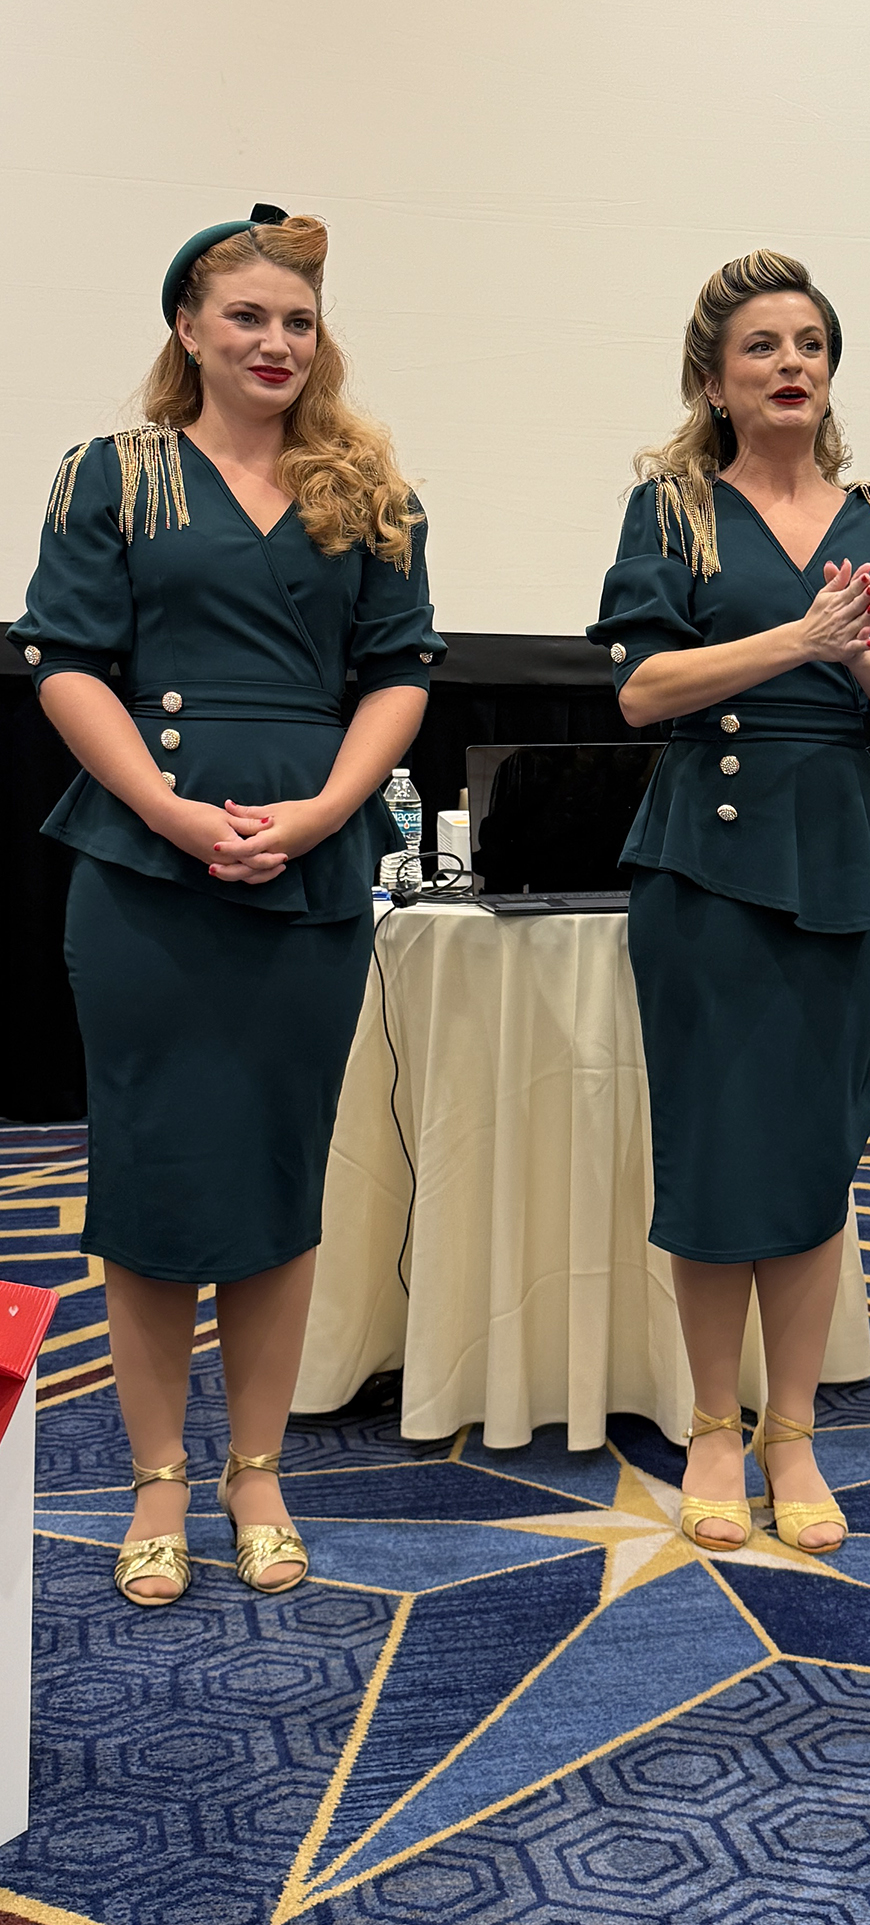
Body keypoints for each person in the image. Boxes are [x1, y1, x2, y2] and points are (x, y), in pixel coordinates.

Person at [10, 205, 443, 1604]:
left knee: (274, 1170)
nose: (274, 341)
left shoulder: (370, 489)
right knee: (148, 1178)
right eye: (246, 316)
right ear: (188, 328)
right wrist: (167, 806)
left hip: (309, 865)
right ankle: (155, 1478)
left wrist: (325, 813)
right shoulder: (112, 476)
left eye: (298, 321)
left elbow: (399, 675)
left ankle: (256, 1470)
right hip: (145, 869)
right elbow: (68, 664)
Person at [588, 250, 870, 1554]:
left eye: (808, 342)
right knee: (713, 1153)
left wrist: (857, 652)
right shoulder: (673, 512)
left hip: (842, 855)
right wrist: (795, 640)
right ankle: (711, 1425)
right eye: (760, 347)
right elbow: (641, 691)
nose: (789, 363)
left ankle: (793, 1434)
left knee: (812, 1153)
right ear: (713, 379)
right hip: (705, 859)